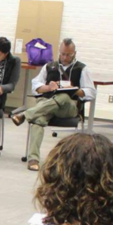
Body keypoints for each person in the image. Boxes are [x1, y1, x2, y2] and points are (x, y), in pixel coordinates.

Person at [12, 38, 96, 170]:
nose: (65, 57)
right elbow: (35, 86)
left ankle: (25, 114)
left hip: (69, 106)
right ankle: (33, 159)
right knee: (38, 120)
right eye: (62, 53)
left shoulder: (82, 68)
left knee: (62, 96)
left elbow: (91, 92)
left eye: (68, 54)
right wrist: (48, 88)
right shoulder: (49, 66)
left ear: (74, 53)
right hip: (47, 103)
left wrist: (74, 89)